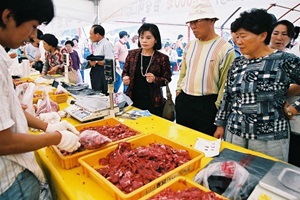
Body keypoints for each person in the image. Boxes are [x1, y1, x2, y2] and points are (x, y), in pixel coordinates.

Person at [0, 0, 81, 199]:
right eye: (34, 26)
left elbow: (12, 113)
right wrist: (56, 138)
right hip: (11, 181)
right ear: (8, 17)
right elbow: (3, 142)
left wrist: (47, 127)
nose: (34, 37)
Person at [213, 8, 300, 162]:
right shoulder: (238, 62)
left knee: (266, 180)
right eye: (237, 36)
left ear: (262, 35)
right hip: (236, 133)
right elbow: (227, 96)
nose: (238, 41)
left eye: (243, 36)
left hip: (270, 138)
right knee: (235, 176)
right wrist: (220, 125)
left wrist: (295, 108)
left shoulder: (284, 60)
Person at [175, 2, 235, 136]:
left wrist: (218, 110)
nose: (193, 26)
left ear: (212, 21)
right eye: (190, 22)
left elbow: (226, 85)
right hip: (185, 101)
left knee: (205, 145)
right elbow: (183, 72)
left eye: (197, 21)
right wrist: (179, 91)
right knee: (182, 141)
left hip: (207, 105)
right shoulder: (190, 45)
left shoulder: (225, 48)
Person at [122, 23, 172, 117]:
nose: (144, 41)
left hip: (154, 102)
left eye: (148, 38)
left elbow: (167, 79)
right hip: (133, 99)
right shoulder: (132, 54)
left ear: (156, 39)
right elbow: (125, 71)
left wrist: (155, 79)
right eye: (142, 37)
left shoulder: (162, 58)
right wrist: (125, 77)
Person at [89, 24, 114, 95]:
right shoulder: (97, 44)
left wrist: (96, 62)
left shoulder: (106, 44)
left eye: (91, 34)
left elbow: (110, 61)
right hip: (97, 75)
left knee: (104, 96)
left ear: (97, 34)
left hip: (103, 76)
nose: (90, 36)